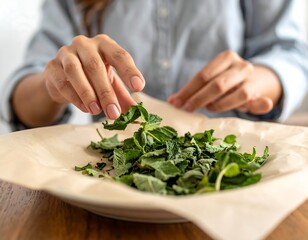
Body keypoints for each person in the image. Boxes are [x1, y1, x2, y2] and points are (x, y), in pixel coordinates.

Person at [1, 0, 308, 131]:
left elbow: (289, 52)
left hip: (230, 173)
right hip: (110, 179)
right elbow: (28, 91)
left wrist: (258, 79)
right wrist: (53, 85)